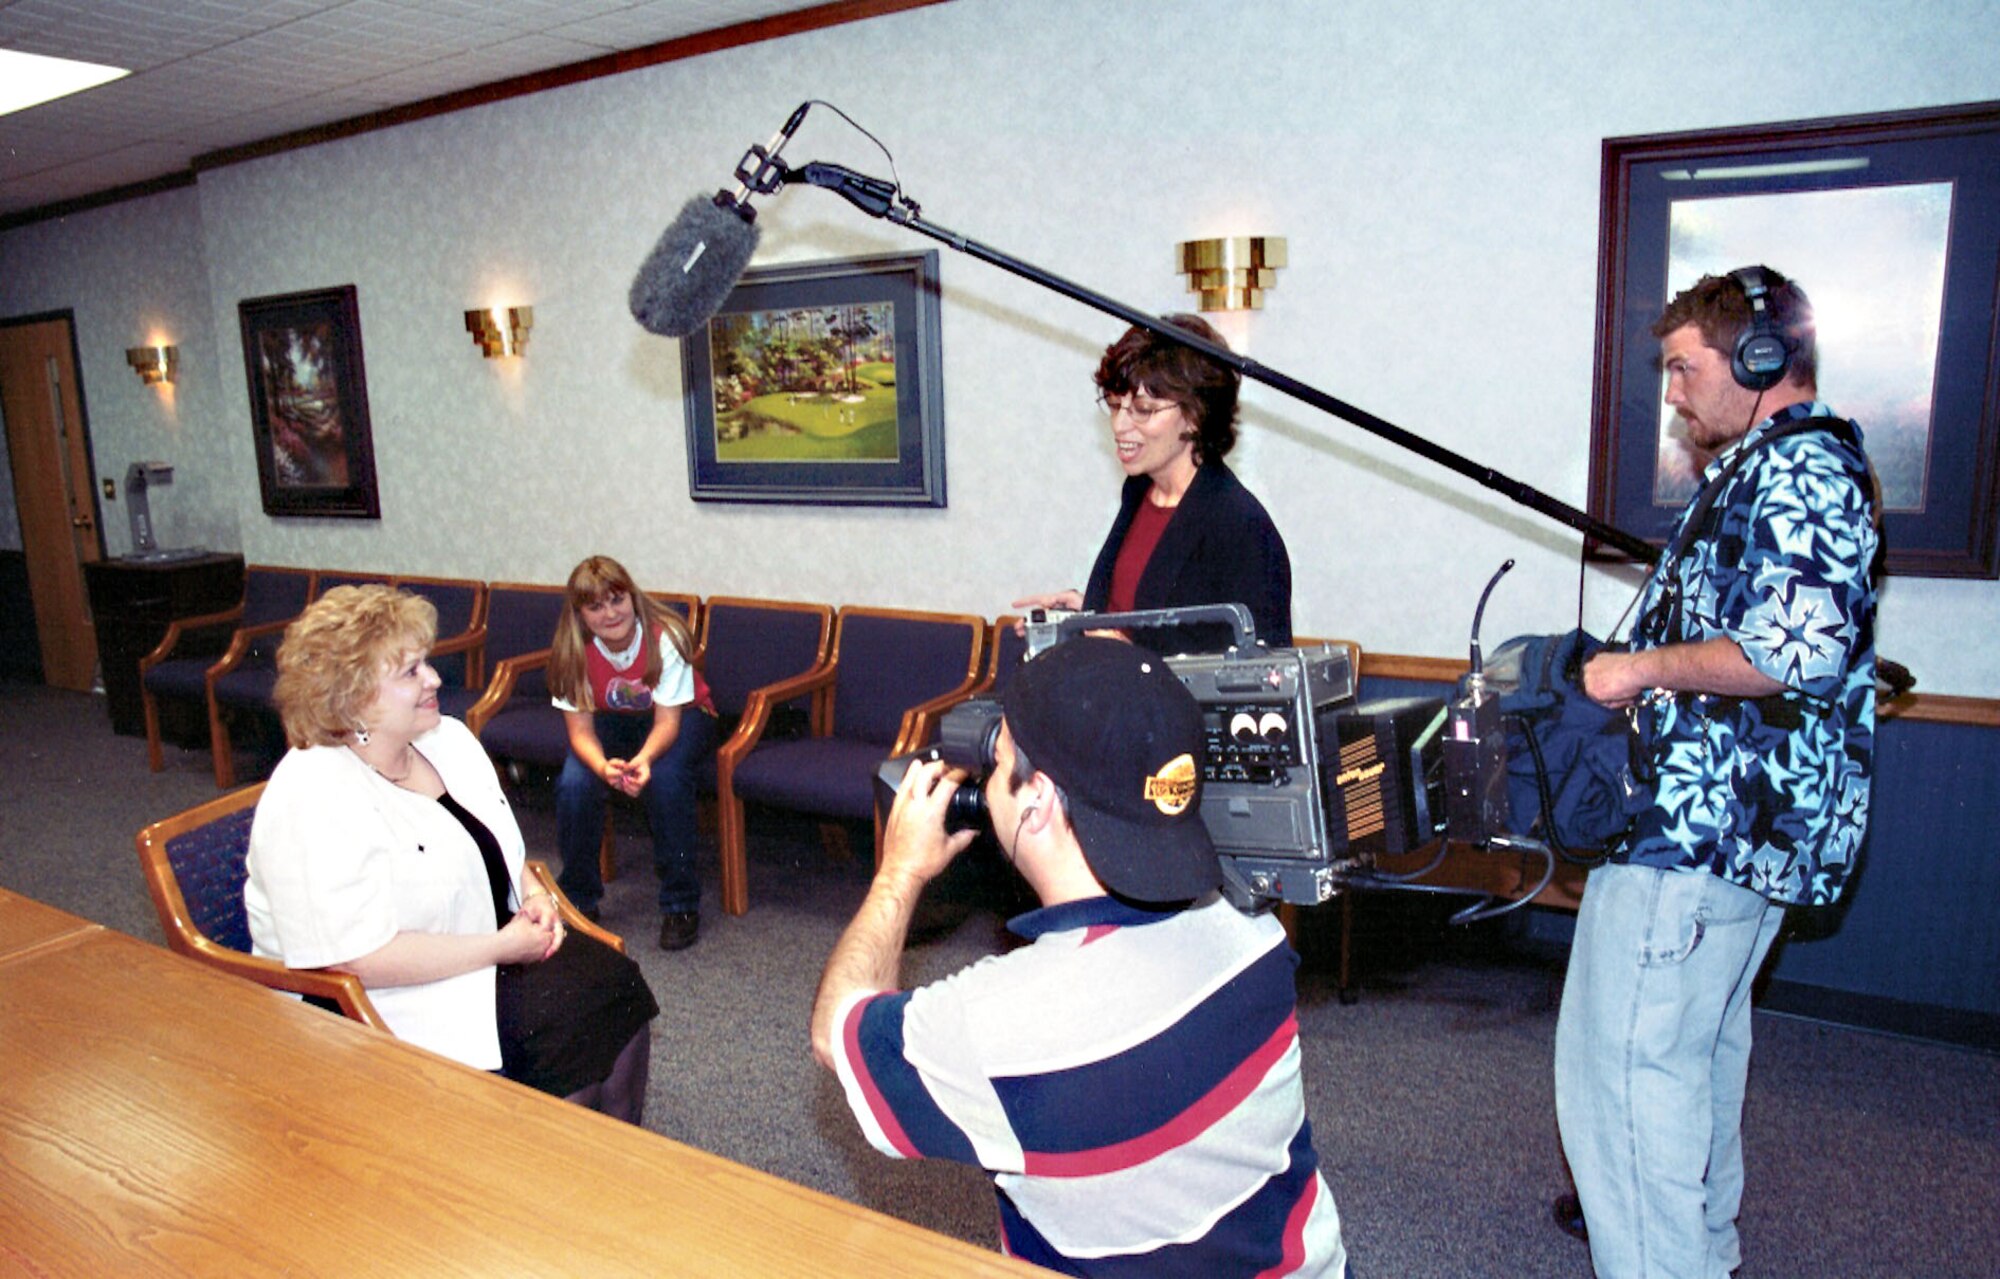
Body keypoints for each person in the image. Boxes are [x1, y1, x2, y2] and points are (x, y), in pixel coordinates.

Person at [811, 637, 1348, 1276]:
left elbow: (834, 1029)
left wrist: (898, 870)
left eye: (999, 754)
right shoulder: (1255, 937)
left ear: (1034, 803)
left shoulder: (997, 1023)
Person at [1553, 267, 1878, 1277]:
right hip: (1729, 841)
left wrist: (1634, 670)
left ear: (1759, 360)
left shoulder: (1797, 476)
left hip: (1694, 838)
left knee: (1624, 1076)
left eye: (1684, 368)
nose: (1671, 392)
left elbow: (1794, 651)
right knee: (1691, 1057)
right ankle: (1697, 1254)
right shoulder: (1771, 469)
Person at [246, 584, 657, 1123]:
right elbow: (351, 958)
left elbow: (504, 850)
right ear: (352, 696)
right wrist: (501, 946)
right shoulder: (312, 789)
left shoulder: (449, 740)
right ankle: (557, 1184)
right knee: (559, 1036)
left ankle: (619, 1163)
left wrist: (534, 897)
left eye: (427, 663)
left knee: (615, 985)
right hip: (376, 993)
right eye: (410, 671)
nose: (434, 679)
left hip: (482, 942)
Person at [1016, 314, 1292, 655]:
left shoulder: (1240, 524)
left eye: (1143, 410)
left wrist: (1127, 651)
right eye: (1116, 405)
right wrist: (1084, 617)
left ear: (1194, 415)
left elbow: (1260, 674)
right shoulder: (1138, 492)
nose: (1119, 425)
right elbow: (1152, 612)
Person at [546, 555, 717, 952]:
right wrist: (603, 767)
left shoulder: (666, 636)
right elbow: (581, 731)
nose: (610, 613)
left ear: (632, 597)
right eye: (596, 606)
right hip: (612, 722)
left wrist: (643, 761)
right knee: (574, 782)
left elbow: (667, 724)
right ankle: (580, 900)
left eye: (616, 600)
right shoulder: (572, 651)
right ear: (581, 614)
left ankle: (680, 903)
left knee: (667, 779)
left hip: (682, 716)